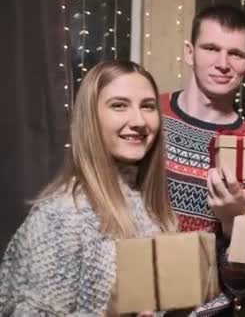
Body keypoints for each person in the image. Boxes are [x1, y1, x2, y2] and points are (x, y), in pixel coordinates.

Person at [0, 60, 175, 315]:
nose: (139, 120)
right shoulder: (61, 214)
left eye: (147, 106)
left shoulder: (151, 208)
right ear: (91, 117)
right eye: (119, 105)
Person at [160, 4, 245, 315]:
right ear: (189, 52)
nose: (222, 63)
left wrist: (231, 221)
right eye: (211, 48)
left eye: (235, 54)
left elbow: (243, 285)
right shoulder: (148, 119)